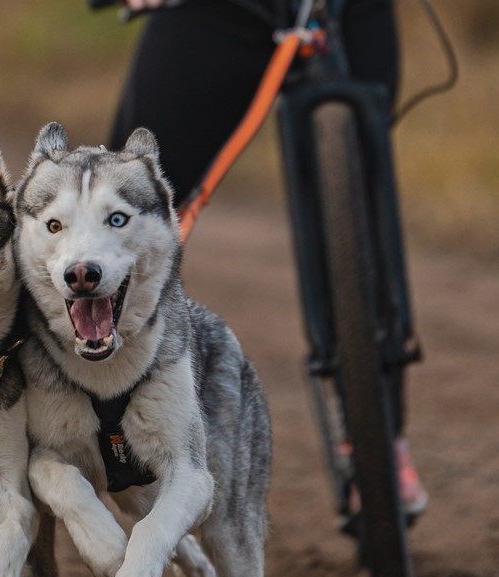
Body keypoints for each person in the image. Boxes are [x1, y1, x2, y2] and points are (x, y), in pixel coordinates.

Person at [104, 0, 428, 518]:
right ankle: (77, 414)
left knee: (363, 205)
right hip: (214, 12)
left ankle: (377, 434)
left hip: (345, 10)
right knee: (120, 199)